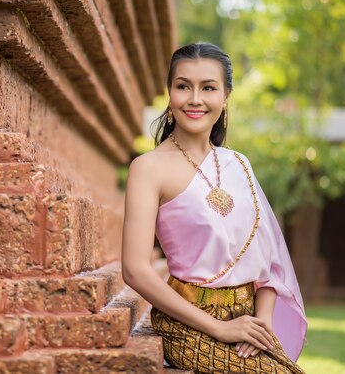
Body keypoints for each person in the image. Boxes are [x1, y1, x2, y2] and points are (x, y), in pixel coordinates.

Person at [121, 42, 307, 373]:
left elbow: (268, 264)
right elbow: (135, 270)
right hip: (188, 323)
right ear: (170, 92)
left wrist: (261, 326)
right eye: (183, 86)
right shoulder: (148, 168)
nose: (195, 99)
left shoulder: (239, 165)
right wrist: (220, 328)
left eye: (208, 87)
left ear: (225, 97)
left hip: (248, 323)